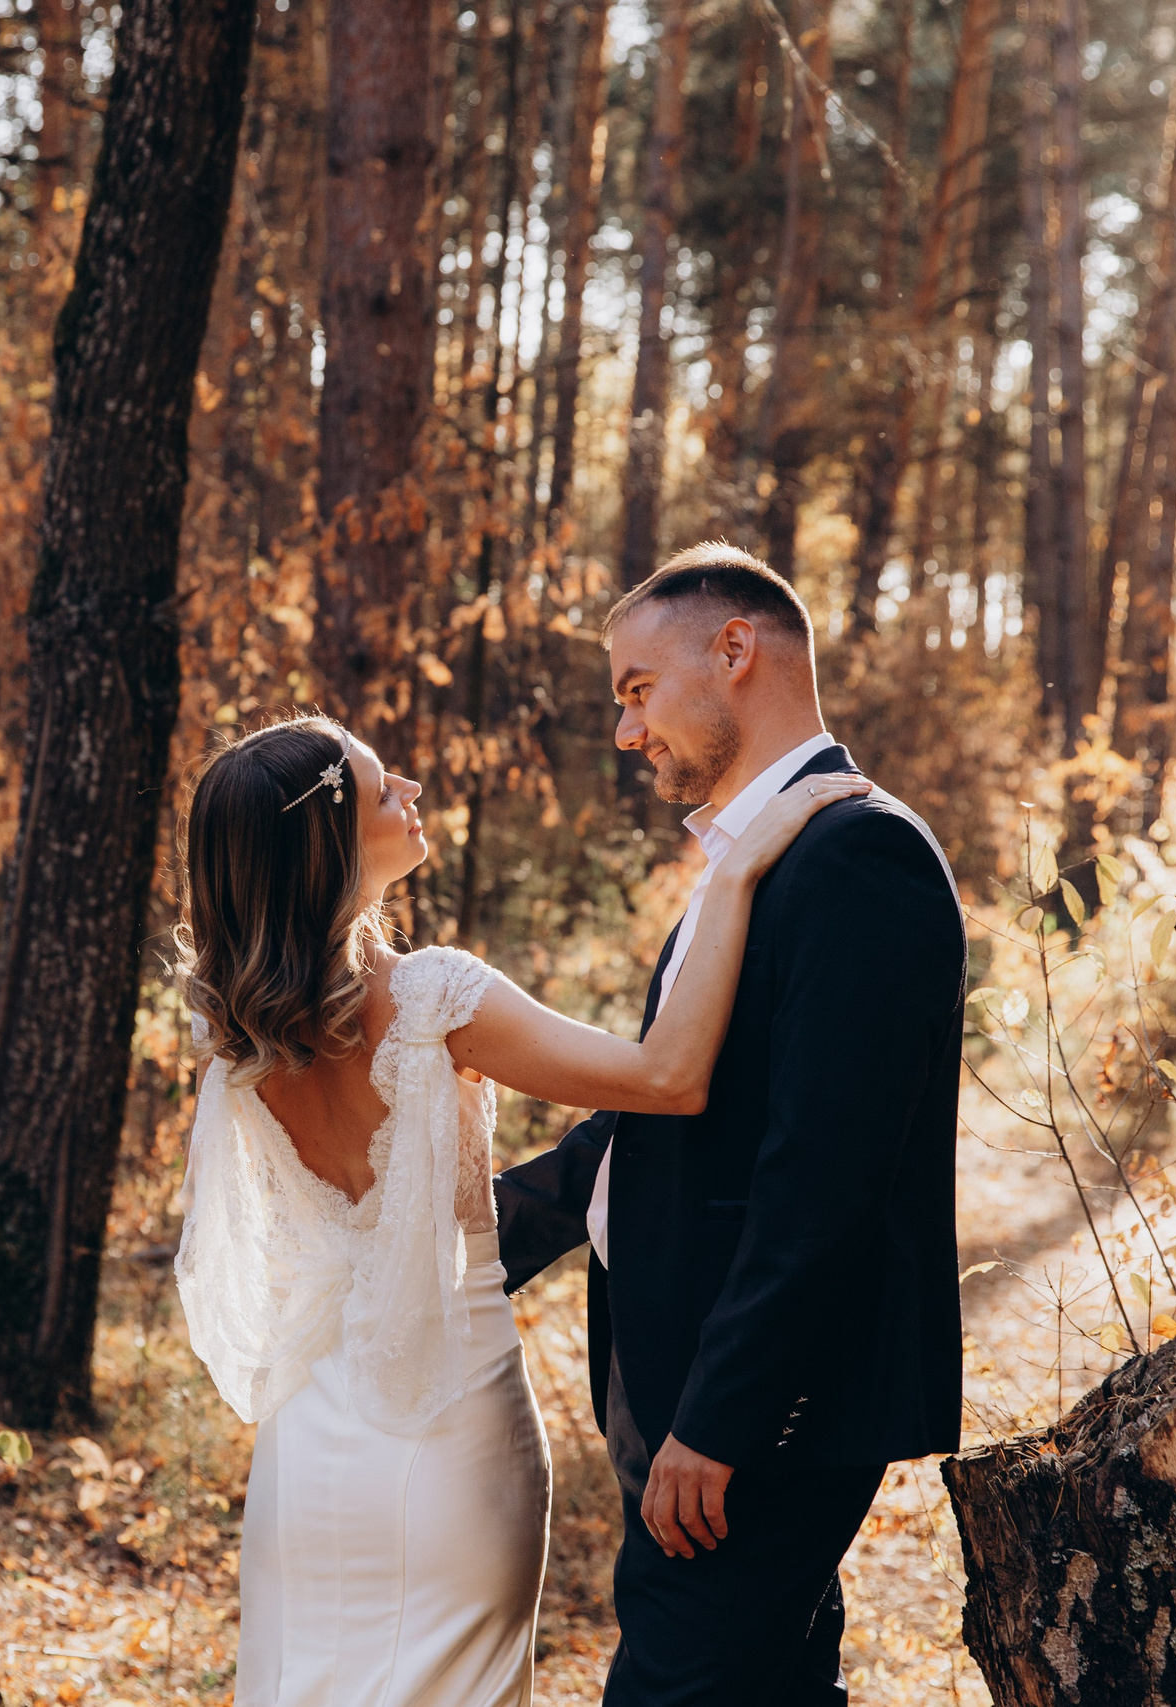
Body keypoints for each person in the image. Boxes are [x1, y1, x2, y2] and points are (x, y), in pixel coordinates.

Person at [172, 676, 868, 1706]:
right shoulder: (430, 997)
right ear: (326, 845)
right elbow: (666, 1079)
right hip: (446, 1428)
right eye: (376, 786)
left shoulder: (233, 1039)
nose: (406, 784)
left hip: (306, 1454)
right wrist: (730, 879)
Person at [496, 541, 967, 1704]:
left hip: (762, 1416)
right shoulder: (758, 858)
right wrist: (459, 1234)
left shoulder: (861, 855)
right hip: (698, 1384)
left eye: (636, 690)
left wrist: (721, 1423)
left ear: (735, 650)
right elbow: (661, 1116)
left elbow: (826, 1181)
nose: (625, 730)